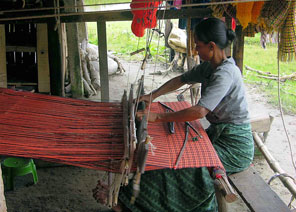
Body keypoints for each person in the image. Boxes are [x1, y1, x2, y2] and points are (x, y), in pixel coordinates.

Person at [114, 17, 254, 212]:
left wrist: (158, 117)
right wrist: (152, 96)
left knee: (186, 167)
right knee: (170, 157)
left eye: (198, 46)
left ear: (211, 46)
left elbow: (199, 111)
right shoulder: (210, 67)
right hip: (218, 135)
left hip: (235, 147)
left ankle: (136, 204)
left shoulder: (225, 73)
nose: (196, 50)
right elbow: (182, 79)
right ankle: (132, 200)